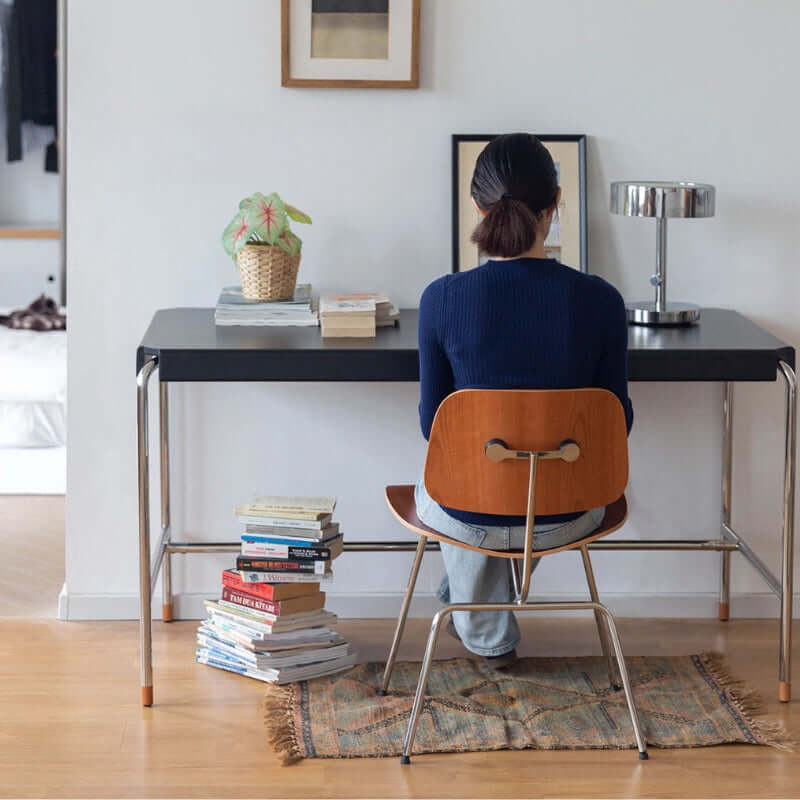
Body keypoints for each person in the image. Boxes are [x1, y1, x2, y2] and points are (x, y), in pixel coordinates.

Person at [415, 133, 633, 669]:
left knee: (457, 482)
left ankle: (483, 629)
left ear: (477, 206)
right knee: (483, 480)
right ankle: (475, 616)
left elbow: (432, 427)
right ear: (555, 204)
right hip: (570, 512)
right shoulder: (601, 300)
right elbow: (617, 421)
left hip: (471, 514)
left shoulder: (441, 299)